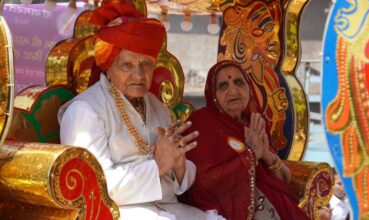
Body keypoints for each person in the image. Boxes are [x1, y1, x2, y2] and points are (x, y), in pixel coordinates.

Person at [58, 2, 211, 219]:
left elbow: (178, 182)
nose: (139, 75)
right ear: (108, 67)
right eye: (127, 65)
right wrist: (158, 165)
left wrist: (178, 165)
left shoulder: (158, 107)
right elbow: (93, 187)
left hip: (166, 209)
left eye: (146, 65)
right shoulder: (85, 111)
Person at [181, 60, 309, 220]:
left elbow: (285, 177)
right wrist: (251, 155)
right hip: (228, 208)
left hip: (274, 203)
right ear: (213, 94)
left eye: (238, 82)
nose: (233, 90)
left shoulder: (253, 121)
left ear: (249, 88)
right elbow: (204, 182)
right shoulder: (201, 123)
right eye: (223, 86)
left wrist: (265, 155)